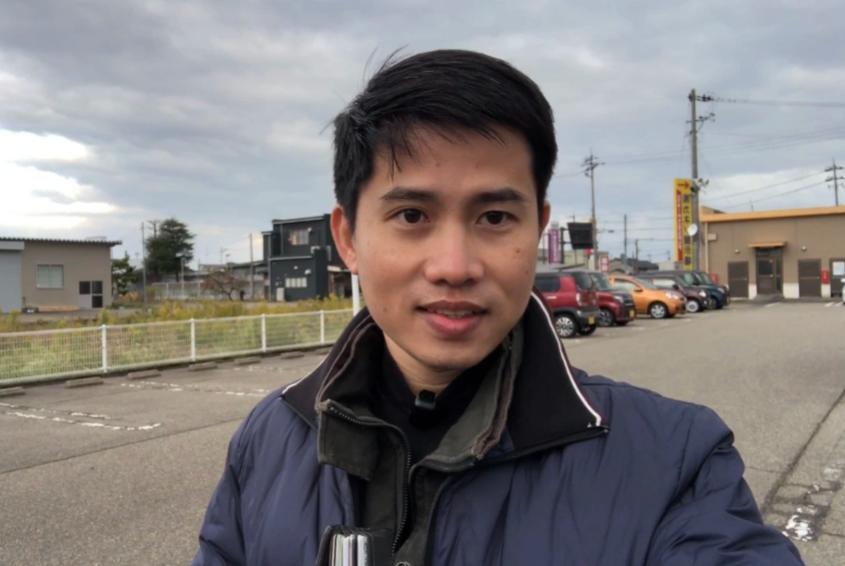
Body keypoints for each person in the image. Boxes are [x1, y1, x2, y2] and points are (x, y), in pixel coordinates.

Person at [194, 49, 803, 565]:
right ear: (348, 238)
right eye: (412, 215)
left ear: (537, 228)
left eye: (493, 217)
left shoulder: (675, 460)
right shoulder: (268, 439)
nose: (454, 265)